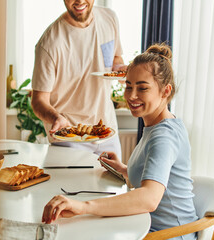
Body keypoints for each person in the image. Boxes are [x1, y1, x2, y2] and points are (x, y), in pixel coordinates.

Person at [41, 43, 198, 240]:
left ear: (165, 91)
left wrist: (83, 207)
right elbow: (156, 176)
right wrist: (123, 169)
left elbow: (149, 198)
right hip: (147, 226)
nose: (131, 96)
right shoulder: (158, 125)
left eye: (142, 88)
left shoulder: (164, 136)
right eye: (128, 86)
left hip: (168, 235)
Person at [31, 0, 126, 159]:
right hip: (70, 136)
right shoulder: (49, 43)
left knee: (115, 183)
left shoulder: (109, 19)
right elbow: (38, 100)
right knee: (73, 185)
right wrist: (56, 118)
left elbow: (116, 59)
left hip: (107, 131)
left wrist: (121, 70)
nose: (80, 1)